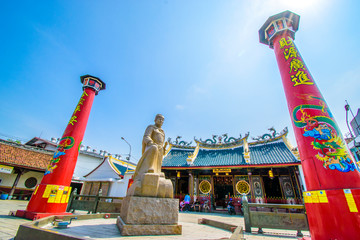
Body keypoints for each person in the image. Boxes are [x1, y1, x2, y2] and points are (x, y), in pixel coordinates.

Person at [133, 114, 166, 180]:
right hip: (152, 146)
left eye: (162, 120)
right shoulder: (151, 127)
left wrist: (163, 148)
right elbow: (146, 136)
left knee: (160, 155)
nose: (161, 121)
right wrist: (150, 142)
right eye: (159, 119)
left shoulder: (162, 132)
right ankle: (150, 167)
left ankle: (157, 170)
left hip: (159, 147)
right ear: (155, 120)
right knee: (154, 148)